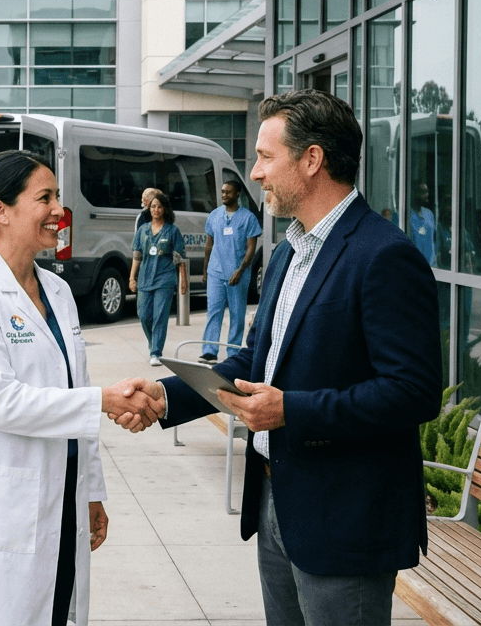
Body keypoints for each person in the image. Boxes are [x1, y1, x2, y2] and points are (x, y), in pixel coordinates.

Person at [121, 89, 443, 626]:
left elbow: (414, 392)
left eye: (266, 157)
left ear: (312, 159)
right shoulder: (290, 249)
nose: (255, 173)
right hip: (276, 500)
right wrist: (165, 396)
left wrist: (292, 410)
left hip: (346, 522)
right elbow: (255, 362)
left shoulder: (385, 256)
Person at [0, 150, 163, 626]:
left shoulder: (57, 291)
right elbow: (0, 403)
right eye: (46, 197)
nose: (60, 208)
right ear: (1, 211)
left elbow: (73, 389)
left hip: (62, 498)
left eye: (57, 195)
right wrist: (104, 400)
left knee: (55, 612)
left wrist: (92, 492)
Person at [199, 181, 262, 362]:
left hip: (238, 275)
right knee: (213, 312)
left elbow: (251, 248)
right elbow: (209, 245)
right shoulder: (214, 216)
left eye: (228, 192)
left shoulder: (248, 218)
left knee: (237, 315)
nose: (224, 195)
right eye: (222, 192)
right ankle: (209, 351)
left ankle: (233, 354)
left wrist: (240, 270)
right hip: (216, 273)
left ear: (237, 194)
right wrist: (205, 270)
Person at [128, 190, 187, 366]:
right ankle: (154, 341)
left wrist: (183, 280)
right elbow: (137, 255)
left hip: (165, 279)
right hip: (145, 278)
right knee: (144, 315)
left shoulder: (172, 231)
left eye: (159, 206)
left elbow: (179, 258)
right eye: (153, 206)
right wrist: (132, 278)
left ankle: (156, 352)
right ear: (149, 208)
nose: (156, 210)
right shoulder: (143, 230)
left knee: (160, 316)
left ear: (165, 209)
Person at [408, 182, 437, 266]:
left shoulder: (429, 214)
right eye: (423, 192)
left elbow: (435, 240)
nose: (426, 194)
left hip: (431, 267)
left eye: (427, 192)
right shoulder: (405, 216)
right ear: (414, 194)